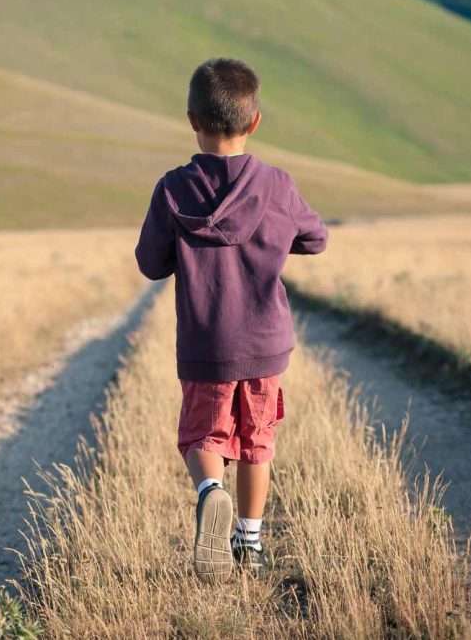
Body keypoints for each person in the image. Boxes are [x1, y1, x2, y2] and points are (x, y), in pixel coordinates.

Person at [134, 57, 328, 582]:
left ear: (192, 119)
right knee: (257, 441)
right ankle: (250, 542)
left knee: (204, 437)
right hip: (265, 343)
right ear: (256, 121)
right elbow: (316, 238)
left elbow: (150, 264)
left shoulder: (174, 189)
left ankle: (209, 492)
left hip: (204, 344)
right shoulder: (278, 185)